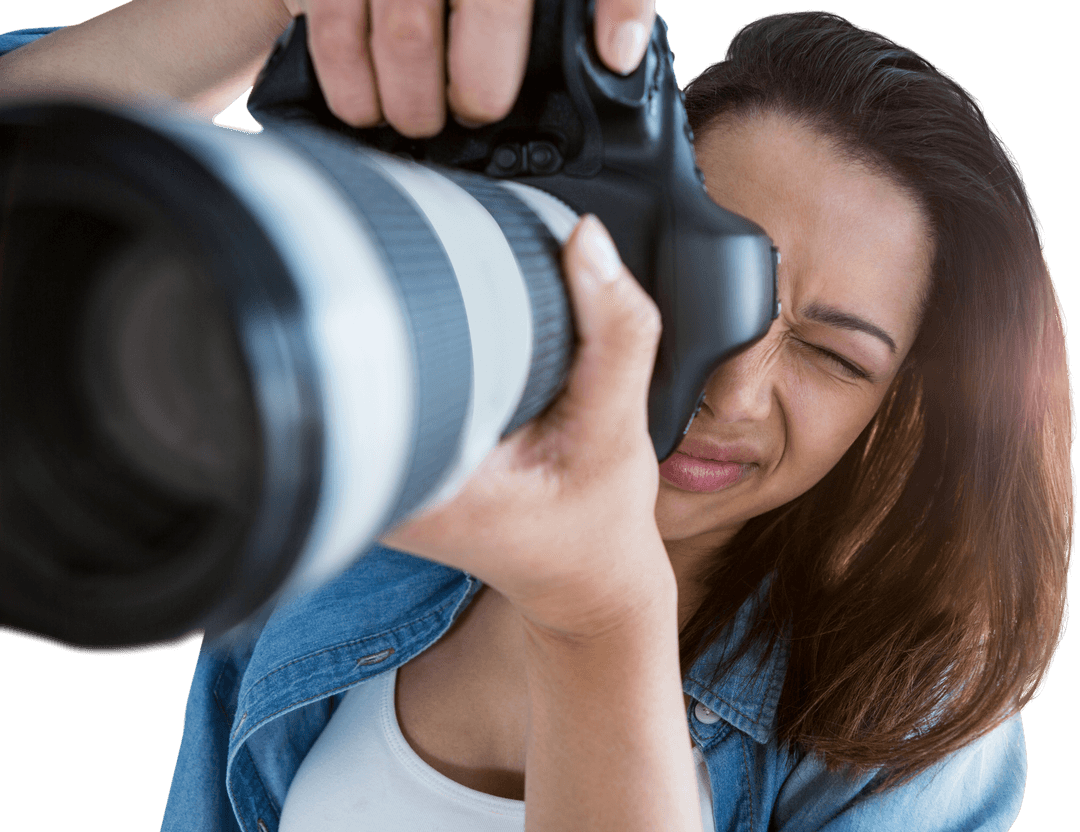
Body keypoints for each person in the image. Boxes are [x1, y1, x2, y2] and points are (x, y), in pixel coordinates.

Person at [0, 2, 1071, 831]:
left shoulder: (908, 727)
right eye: (701, 283)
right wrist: (253, 16)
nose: (732, 388)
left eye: (836, 357)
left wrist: (599, 613)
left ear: (898, 416)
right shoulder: (386, 458)